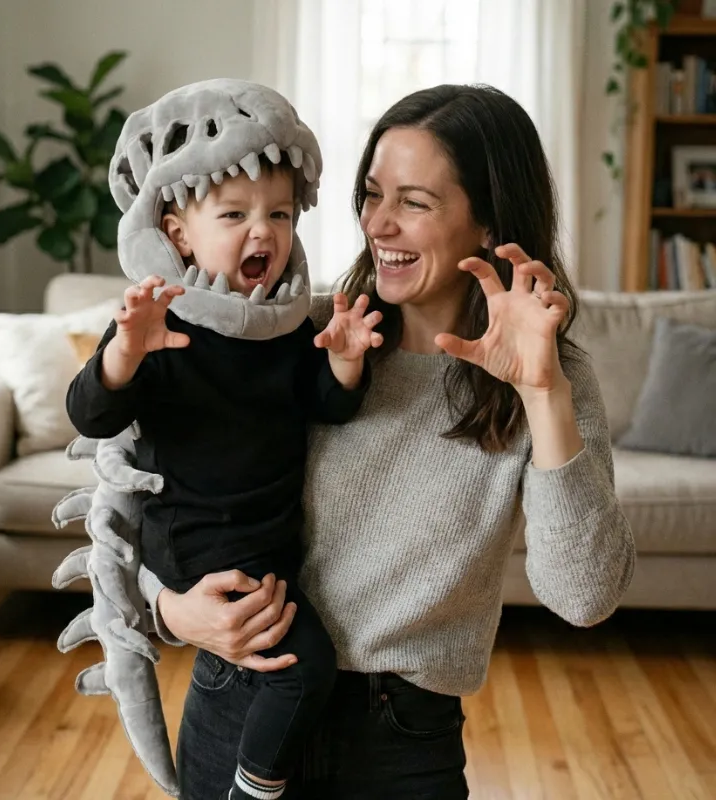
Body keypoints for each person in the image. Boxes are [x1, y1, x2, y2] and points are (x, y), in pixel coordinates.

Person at [145, 83, 636, 800]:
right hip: (239, 701)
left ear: (488, 221)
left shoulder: (549, 379)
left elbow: (584, 597)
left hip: (398, 745)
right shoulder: (297, 334)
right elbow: (140, 494)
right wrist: (169, 609)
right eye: (372, 194)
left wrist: (542, 394)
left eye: (415, 202)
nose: (378, 224)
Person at [66, 80, 384, 800]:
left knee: (285, 666)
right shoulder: (164, 325)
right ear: (179, 233)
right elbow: (91, 414)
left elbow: (326, 405)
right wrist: (124, 352)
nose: (262, 232)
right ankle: (253, 790)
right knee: (305, 666)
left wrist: (344, 362)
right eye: (234, 214)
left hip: (265, 543)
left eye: (279, 214)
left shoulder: (286, 325)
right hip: (198, 541)